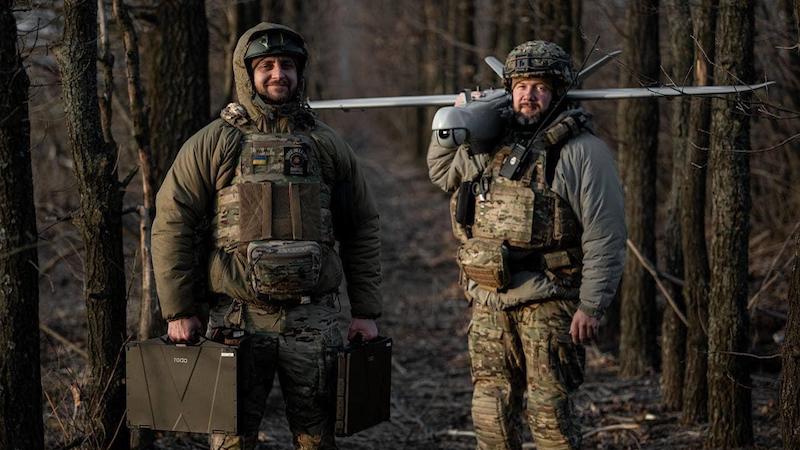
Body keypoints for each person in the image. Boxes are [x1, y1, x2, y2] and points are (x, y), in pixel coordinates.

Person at [151, 23, 382, 450]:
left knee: (317, 439)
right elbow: (173, 222)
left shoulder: (327, 144)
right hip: (237, 320)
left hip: (314, 322)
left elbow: (361, 226)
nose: (279, 74)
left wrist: (365, 311)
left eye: (288, 65)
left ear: (300, 72)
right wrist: (179, 309)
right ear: (247, 73)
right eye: (267, 66)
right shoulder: (215, 143)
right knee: (231, 440)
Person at [427, 40, 626, 450]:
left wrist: (592, 305)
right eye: (520, 85)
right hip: (488, 301)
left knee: (550, 414)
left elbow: (605, 232)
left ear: (557, 91)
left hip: (549, 300)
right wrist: (457, 116)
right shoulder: (488, 144)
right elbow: (441, 171)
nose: (528, 95)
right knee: (491, 411)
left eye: (539, 86)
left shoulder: (583, 152)